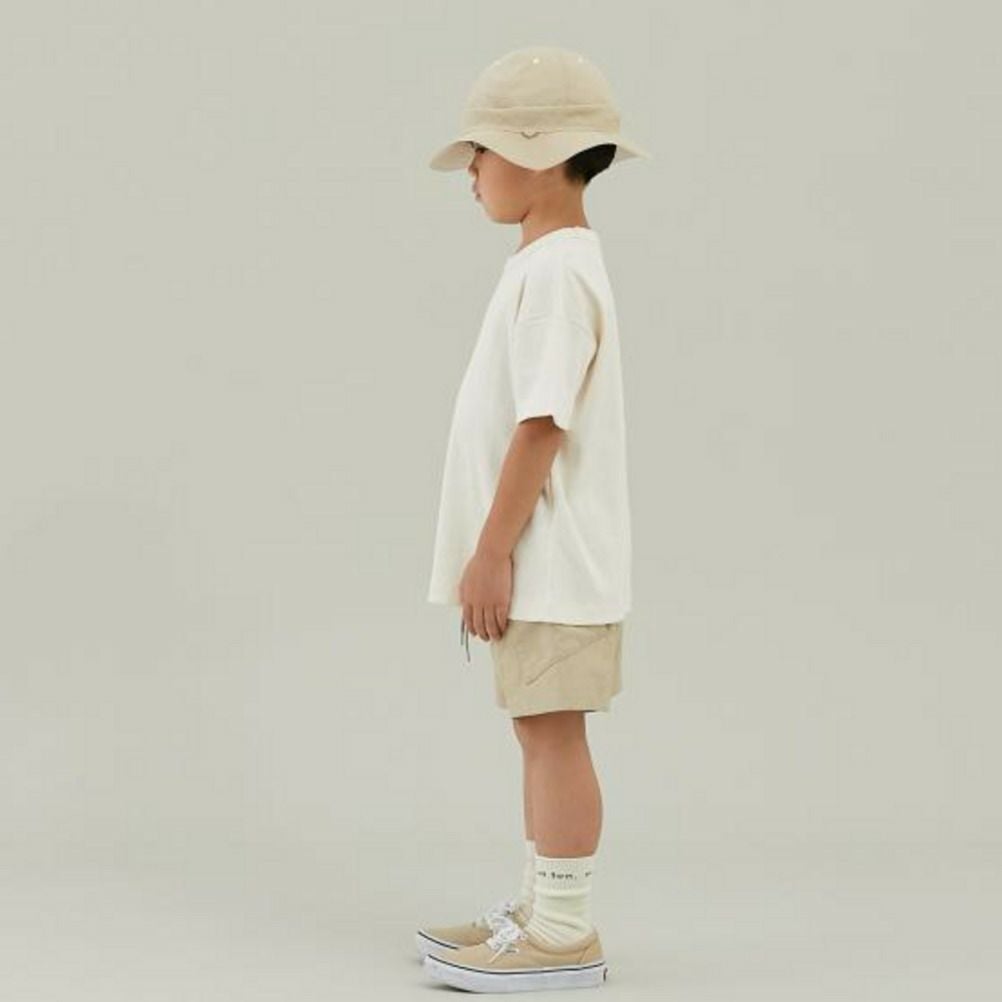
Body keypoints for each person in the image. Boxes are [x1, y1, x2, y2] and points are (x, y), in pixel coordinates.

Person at [416, 45, 651, 993]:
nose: (470, 169)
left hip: (548, 561)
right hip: (543, 560)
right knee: (537, 731)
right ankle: (539, 908)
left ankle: (563, 932)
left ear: (543, 154)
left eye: (482, 150)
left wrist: (490, 553)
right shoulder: (547, 265)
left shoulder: (555, 275)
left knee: (552, 735)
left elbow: (541, 426)